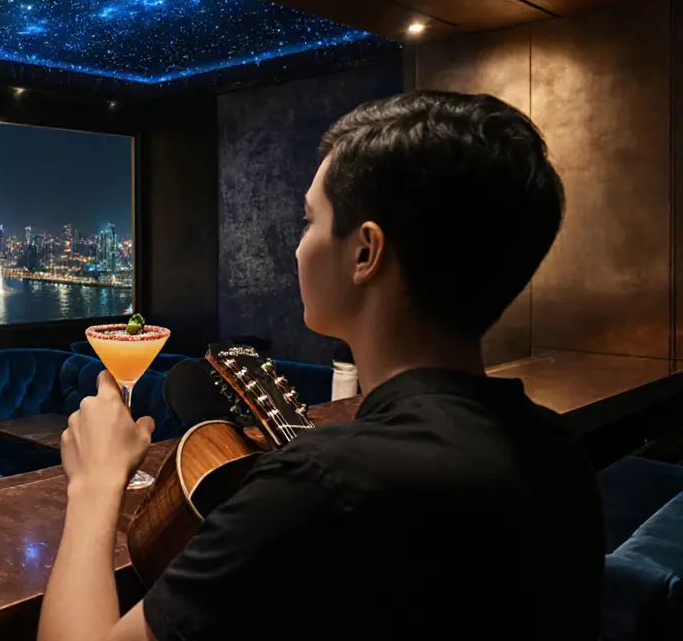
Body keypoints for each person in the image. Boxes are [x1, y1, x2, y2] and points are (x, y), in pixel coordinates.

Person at [38, 91, 603, 641]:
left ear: (365, 253)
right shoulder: (556, 449)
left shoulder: (321, 484)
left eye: (309, 221)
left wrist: (93, 482)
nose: (297, 247)